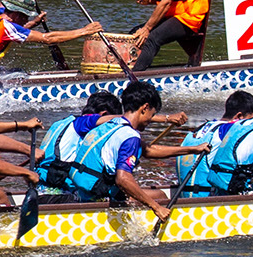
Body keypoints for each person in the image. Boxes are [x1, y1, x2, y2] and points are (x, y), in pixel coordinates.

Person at [51, 82, 176, 220]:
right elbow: (122, 179)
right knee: (160, 196)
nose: (150, 120)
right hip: (100, 198)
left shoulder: (108, 125)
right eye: (151, 115)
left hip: (82, 192)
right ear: (145, 108)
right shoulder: (130, 136)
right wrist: (156, 207)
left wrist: (191, 149)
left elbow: (148, 151)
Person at [31, 90, 123, 194]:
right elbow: (95, 121)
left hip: (41, 183)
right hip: (57, 190)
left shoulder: (62, 122)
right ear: (104, 114)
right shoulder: (82, 123)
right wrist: (128, 117)